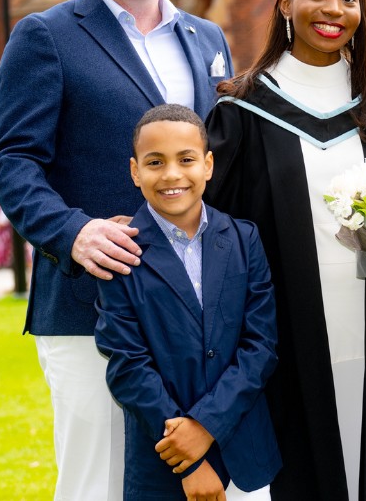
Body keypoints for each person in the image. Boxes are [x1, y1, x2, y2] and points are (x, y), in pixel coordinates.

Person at [0, 0, 233, 500]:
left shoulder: (208, 40)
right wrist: (72, 232)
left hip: (201, 310)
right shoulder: (45, 35)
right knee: (97, 482)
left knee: (199, 481)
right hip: (90, 306)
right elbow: (13, 161)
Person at [204, 0, 366, 501]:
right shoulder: (242, 109)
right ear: (284, 4)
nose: (334, 9)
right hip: (287, 339)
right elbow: (220, 243)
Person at [96, 104, 280, 501]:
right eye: (155, 162)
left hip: (242, 452)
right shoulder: (120, 250)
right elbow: (128, 366)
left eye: (186, 159)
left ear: (208, 165)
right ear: (135, 171)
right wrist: (191, 459)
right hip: (164, 462)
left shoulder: (244, 240)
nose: (172, 175)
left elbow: (260, 348)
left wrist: (205, 426)